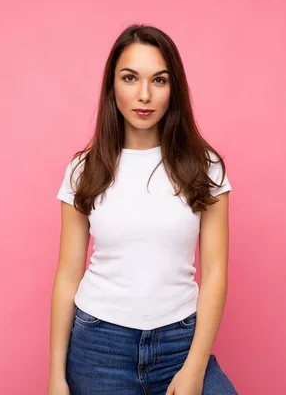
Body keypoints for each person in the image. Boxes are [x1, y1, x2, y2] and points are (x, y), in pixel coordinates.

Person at [48, 24, 238, 395]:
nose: (145, 95)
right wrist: (56, 376)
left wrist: (194, 368)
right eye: (130, 78)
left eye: (159, 80)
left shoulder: (205, 166)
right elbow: (68, 276)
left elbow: (215, 273)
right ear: (112, 86)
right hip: (98, 347)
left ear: (174, 90)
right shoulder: (84, 170)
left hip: (179, 343)